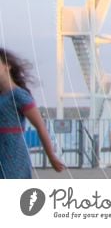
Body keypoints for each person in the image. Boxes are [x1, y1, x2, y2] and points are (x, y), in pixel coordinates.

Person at [0, 48, 65, 178]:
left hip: (13, 155)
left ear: (7, 66)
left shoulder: (19, 95)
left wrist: (51, 156)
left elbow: (40, 126)